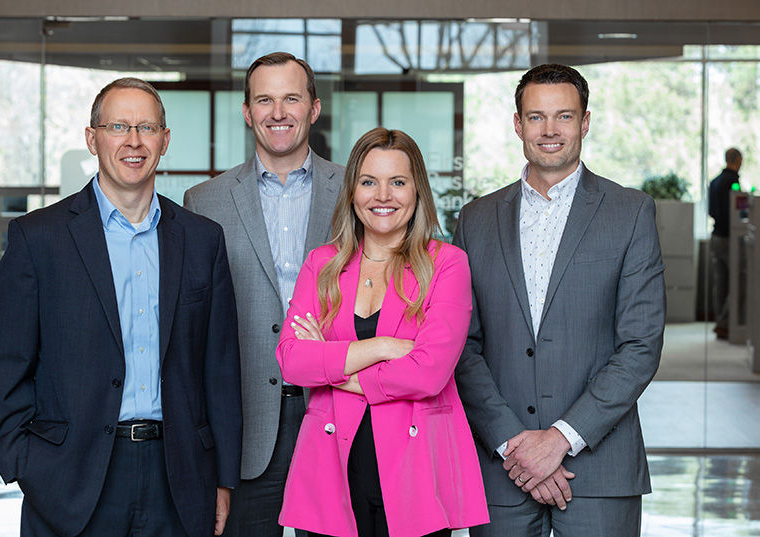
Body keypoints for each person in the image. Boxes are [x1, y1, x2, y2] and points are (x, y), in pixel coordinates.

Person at [0, 77, 243, 537]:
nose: (133, 141)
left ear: (164, 141)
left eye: (146, 127)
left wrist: (222, 478)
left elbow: (219, 369)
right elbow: (4, 363)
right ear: (92, 138)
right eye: (118, 126)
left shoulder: (203, 240)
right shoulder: (38, 237)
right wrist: (29, 465)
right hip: (70, 478)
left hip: (179, 477)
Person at [453, 64, 666, 537]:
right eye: (536, 117)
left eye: (564, 116)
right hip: (502, 468)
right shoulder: (475, 220)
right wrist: (513, 443)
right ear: (517, 123)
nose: (550, 130)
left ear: (585, 122)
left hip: (600, 466)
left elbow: (640, 346)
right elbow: (461, 346)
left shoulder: (630, 213)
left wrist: (561, 439)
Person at [276, 127, 489, 537]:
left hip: (416, 471)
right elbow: (291, 361)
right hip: (330, 468)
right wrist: (384, 346)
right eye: (369, 182)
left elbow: (428, 372)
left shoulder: (446, 264)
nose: (383, 196)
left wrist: (333, 364)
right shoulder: (322, 266)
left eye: (398, 182)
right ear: (352, 191)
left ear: (417, 191)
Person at [183, 52, 343, 535]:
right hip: (245, 421)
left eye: (291, 98)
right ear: (248, 111)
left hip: (336, 410)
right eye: (265, 100)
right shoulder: (203, 201)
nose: (278, 112)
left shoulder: (354, 194)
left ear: (314, 108)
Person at [708, 147, 742, 339]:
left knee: (721, 283)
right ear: (738, 160)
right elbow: (736, 213)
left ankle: (721, 322)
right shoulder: (732, 181)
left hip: (715, 236)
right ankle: (724, 322)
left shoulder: (714, 182)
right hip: (729, 238)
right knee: (738, 280)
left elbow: (712, 210)